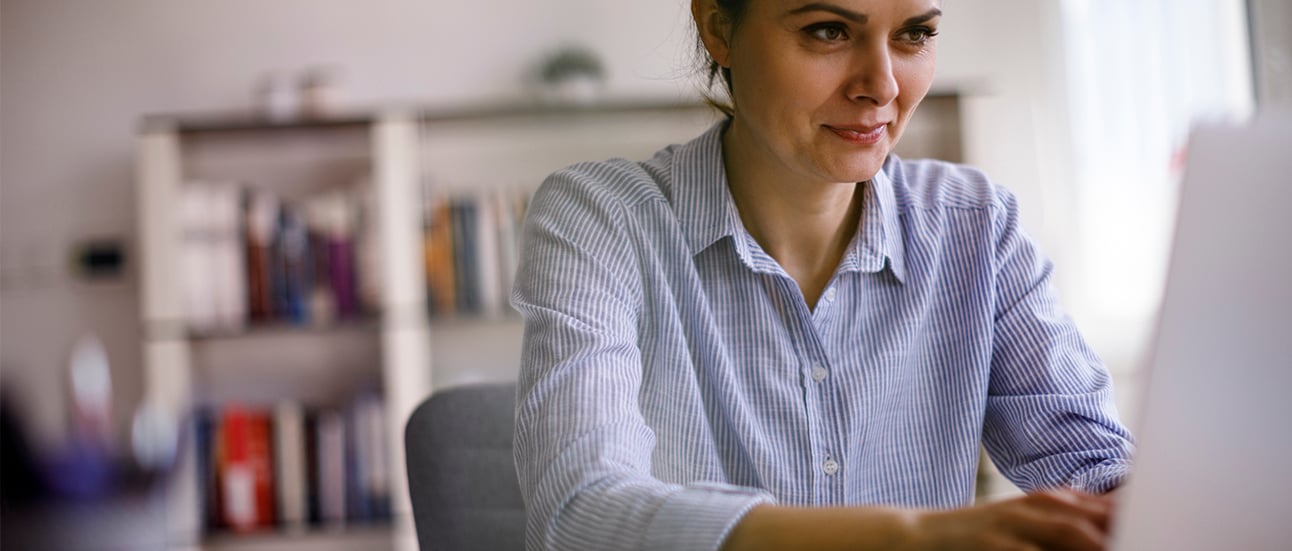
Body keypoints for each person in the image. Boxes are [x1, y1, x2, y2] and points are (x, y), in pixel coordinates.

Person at [510, 0, 1135, 549]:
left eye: (914, 35)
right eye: (829, 31)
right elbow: (579, 515)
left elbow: (1097, 469)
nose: (882, 85)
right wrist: (912, 538)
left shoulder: (976, 225)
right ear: (717, 27)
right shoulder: (602, 219)